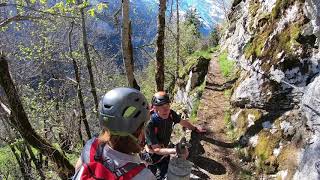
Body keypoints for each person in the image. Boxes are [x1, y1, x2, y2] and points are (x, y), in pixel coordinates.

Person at [73, 87, 156, 180]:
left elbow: (78, 171)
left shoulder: (90, 147)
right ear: (137, 132)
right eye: (143, 126)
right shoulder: (143, 176)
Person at [145, 91, 206, 180]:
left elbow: (183, 122)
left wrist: (195, 129)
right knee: (151, 175)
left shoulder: (171, 114)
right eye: (162, 107)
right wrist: (176, 150)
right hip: (152, 155)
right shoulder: (150, 123)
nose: (166, 109)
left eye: (167, 106)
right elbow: (156, 149)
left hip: (164, 151)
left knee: (165, 174)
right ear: (155, 108)